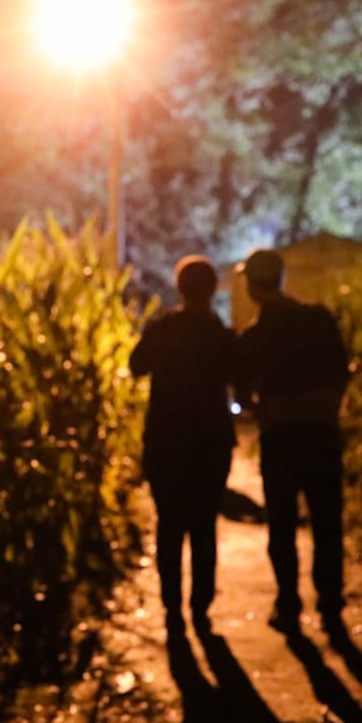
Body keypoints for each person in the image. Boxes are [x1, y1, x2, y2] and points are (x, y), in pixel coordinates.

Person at [233, 248, 351, 633]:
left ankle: (289, 605)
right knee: (326, 521)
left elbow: (242, 393)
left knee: (282, 524)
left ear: (251, 287)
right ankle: (330, 605)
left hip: (280, 436)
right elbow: (342, 370)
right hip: (320, 433)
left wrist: (261, 406)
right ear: (281, 279)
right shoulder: (318, 319)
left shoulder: (253, 337)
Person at [129, 255, 237, 632]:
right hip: (211, 441)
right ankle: (201, 607)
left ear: (179, 287)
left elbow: (135, 365)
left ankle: (172, 605)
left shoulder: (162, 330)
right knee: (204, 525)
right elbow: (239, 377)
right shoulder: (220, 334)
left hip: (165, 439)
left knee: (170, 524)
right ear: (212, 290)